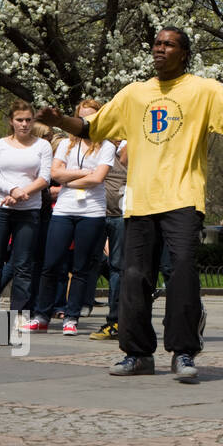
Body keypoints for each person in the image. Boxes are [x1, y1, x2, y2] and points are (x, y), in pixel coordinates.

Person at [36, 27, 223, 382]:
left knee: (182, 273)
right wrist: (58, 121)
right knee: (134, 277)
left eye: (169, 44)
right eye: (157, 44)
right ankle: (138, 353)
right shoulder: (134, 93)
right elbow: (91, 127)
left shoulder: (205, 89)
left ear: (184, 53)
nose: (160, 49)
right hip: (141, 201)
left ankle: (184, 351)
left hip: (182, 198)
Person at [21, 100, 116, 335]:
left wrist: (68, 178)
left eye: (91, 119)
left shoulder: (106, 146)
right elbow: (54, 174)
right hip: (64, 209)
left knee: (81, 266)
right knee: (51, 263)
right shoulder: (65, 144)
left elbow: (98, 179)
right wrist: (84, 173)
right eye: (82, 118)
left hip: (91, 212)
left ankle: (71, 316)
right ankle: (42, 314)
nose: (86, 123)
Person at [0, 100, 52, 312]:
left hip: (29, 211)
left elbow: (44, 178)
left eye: (28, 120)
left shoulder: (43, 145)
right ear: (11, 121)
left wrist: (23, 193)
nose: (24, 124)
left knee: (23, 265)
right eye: (19, 120)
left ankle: (20, 312)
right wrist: (13, 190)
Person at [89, 141, 128, 341]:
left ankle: (116, 320)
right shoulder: (96, 149)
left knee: (117, 267)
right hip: (93, 212)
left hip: (121, 216)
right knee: (87, 262)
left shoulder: (130, 149)